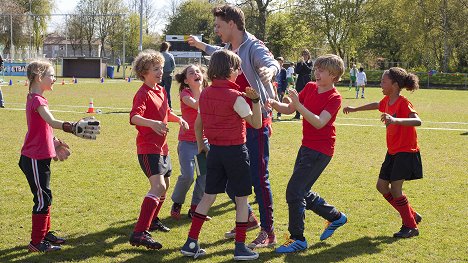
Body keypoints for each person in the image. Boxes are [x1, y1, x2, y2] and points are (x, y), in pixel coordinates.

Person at [187, 4, 280, 249]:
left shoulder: (253, 46)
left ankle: (268, 232)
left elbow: (271, 63)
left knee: (259, 178)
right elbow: (216, 51)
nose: (216, 30)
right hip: (235, 123)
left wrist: (269, 73)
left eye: (218, 25)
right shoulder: (228, 49)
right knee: (230, 178)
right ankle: (247, 217)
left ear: (231, 24)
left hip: (256, 122)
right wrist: (200, 46)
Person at [180, 49, 261, 261]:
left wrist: (201, 146)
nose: (239, 73)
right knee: (242, 200)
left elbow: (198, 124)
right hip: (235, 151)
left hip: (214, 151)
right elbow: (257, 123)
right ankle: (240, 247)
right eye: (238, 69)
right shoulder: (236, 96)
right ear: (230, 70)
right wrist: (256, 101)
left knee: (208, 197)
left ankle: (191, 242)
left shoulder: (205, 93)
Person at [268, 54, 348, 253]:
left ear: (334, 76)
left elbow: (319, 122)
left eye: (322, 71)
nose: (317, 73)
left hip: (321, 151)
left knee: (294, 191)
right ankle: (336, 216)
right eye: (317, 69)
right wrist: (272, 103)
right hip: (306, 147)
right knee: (301, 191)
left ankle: (298, 239)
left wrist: (298, 104)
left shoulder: (334, 98)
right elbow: (289, 109)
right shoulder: (311, 87)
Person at [19, 59, 101, 253]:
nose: (55, 79)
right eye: (52, 75)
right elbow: (51, 121)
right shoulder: (37, 99)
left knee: (46, 196)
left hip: (40, 156)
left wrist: (54, 142)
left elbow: (44, 126)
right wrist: (71, 127)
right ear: (39, 77)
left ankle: (45, 234)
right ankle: (36, 242)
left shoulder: (36, 97)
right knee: (42, 198)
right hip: (34, 158)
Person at [343, 67, 423, 238]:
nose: (381, 84)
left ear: (394, 84)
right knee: (381, 186)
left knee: (395, 188)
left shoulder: (403, 102)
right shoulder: (387, 100)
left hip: (406, 151)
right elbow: (376, 105)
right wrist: (355, 109)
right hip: (393, 151)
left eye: (383, 81)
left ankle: (411, 226)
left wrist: (395, 119)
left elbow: (417, 121)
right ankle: (411, 215)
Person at [128, 49, 189, 250]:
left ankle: (152, 221)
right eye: (156, 69)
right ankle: (140, 232)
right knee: (158, 186)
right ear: (144, 71)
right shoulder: (143, 93)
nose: (160, 72)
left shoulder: (161, 90)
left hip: (162, 147)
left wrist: (177, 118)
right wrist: (152, 123)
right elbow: (134, 117)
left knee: (166, 184)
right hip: (148, 147)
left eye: (161, 68)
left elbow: (166, 112)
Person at [170, 64, 212, 220]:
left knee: (204, 175)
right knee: (188, 176)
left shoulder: (208, 92)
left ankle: (195, 208)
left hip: (204, 141)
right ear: (186, 81)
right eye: (191, 72)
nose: (196, 73)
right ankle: (177, 203)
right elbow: (196, 104)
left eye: (198, 71)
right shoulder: (185, 93)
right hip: (187, 143)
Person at [294, 49, 313, 119]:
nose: (304, 56)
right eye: (303, 54)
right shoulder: (299, 63)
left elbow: (309, 70)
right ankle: (297, 114)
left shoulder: (310, 62)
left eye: (306, 54)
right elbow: (297, 71)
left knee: (307, 98)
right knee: (298, 97)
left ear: (308, 55)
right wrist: (301, 64)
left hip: (307, 80)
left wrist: (304, 63)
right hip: (300, 81)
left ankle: (306, 114)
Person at [160, 42, 176, 108]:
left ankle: (159, 104)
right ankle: (169, 106)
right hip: (168, 75)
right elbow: (173, 66)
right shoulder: (170, 55)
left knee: (159, 90)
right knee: (167, 91)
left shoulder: (159, 55)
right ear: (167, 47)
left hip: (160, 75)